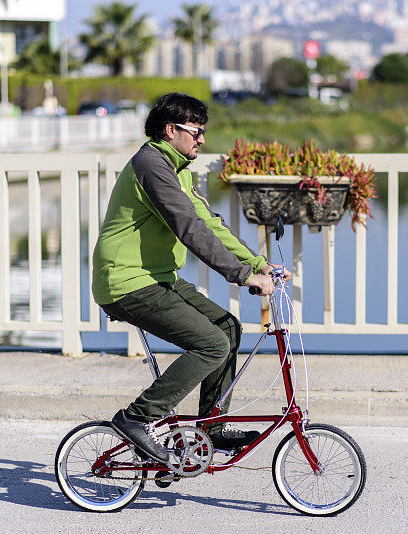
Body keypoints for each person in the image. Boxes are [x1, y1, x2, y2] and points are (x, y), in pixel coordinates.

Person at [91, 92, 291, 464]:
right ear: (171, 130)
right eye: (196, 131)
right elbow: (189, 230)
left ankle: (208, 431)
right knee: (212, 345)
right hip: (127, 283)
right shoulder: (151, 165)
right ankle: (137, 418)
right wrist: (242, 275)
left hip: (156, 278)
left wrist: (259, 264)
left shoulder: (175, 170)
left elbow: (210, 224)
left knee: (227, 328)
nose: (202, 138)